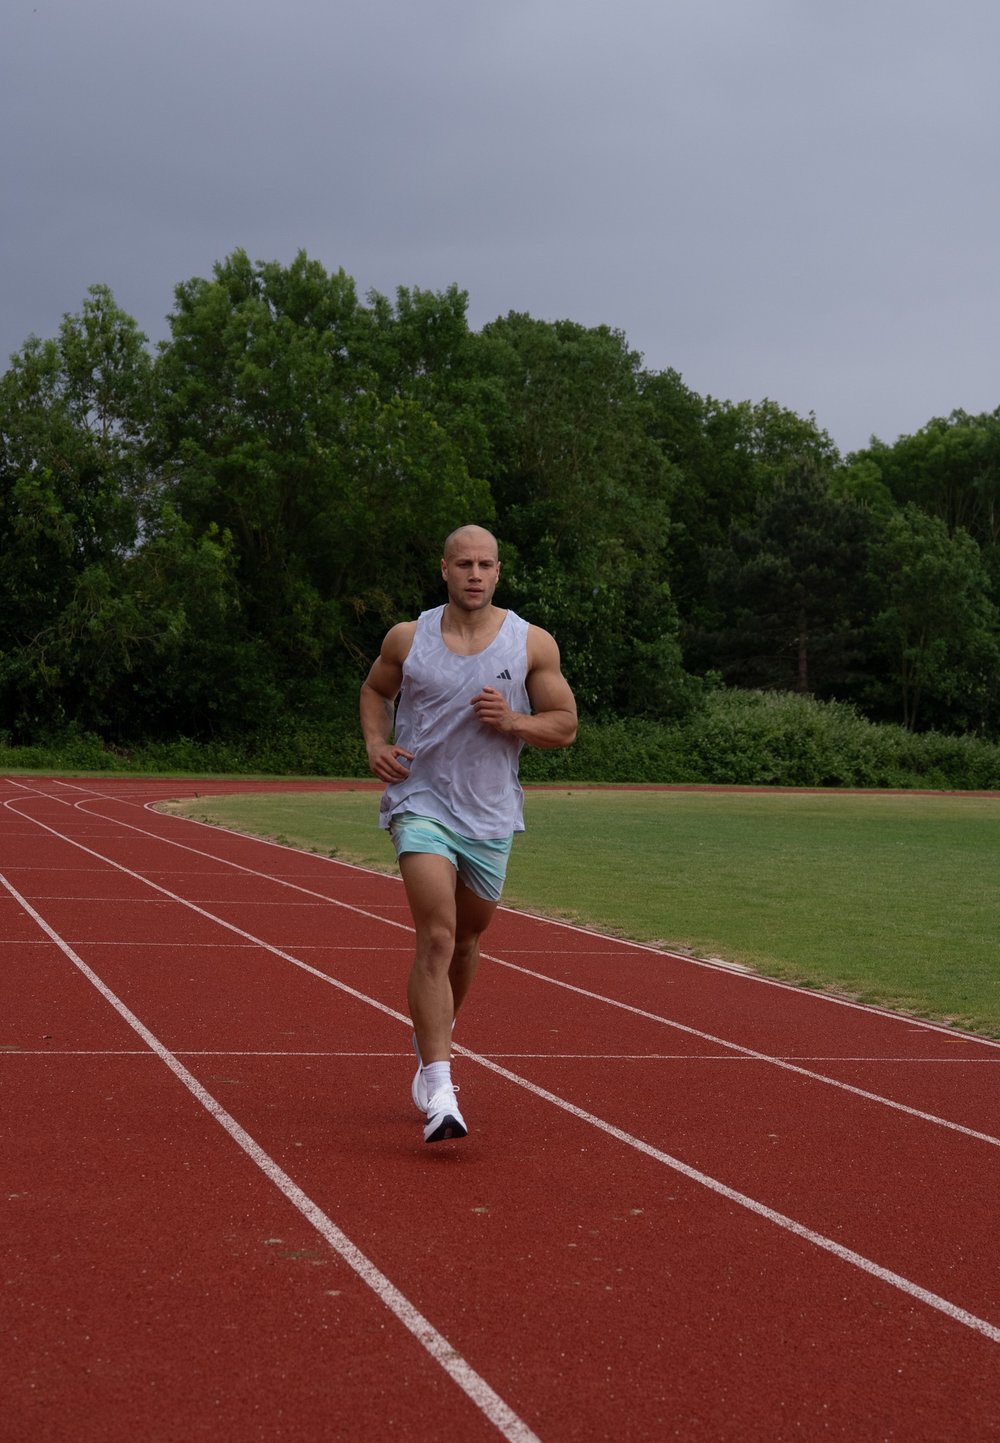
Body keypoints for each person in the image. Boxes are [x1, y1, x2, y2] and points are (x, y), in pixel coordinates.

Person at [359, 524, 577, 1143]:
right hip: (420, 800)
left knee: (465, 940)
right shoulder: (408, 637)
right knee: (436, 934)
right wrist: (376, 743)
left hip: (489, 812)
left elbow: (564, 725)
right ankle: (441, 1087)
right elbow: (375, 690)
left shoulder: (530, 642)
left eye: (485, 565)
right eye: (464, 564)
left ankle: (433, 1032)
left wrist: (513, 721)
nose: (474, 574)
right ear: (445, 569)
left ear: (498, 571)